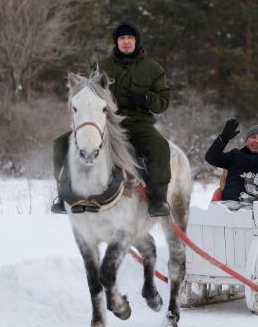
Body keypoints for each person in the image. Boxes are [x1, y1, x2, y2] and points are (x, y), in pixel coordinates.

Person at [52, 21, 172, 216]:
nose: (126, 42)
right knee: (60, 143)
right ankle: (62, 192)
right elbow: (87, 91)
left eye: (130, 38)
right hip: (104, 121)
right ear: (116, 42)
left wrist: (145, 97)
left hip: (138, 122)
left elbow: (164, 102)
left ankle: (159, 199)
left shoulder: (153, 69)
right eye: (122, 38)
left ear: (137, 41)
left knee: (159, 146)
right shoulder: (101, 66)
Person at [205, 119, 258, 201]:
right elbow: (211, 158)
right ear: (247, 140)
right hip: (229, 206)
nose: (256, 141)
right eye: (253, 137)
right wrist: (223, 139)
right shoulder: (235, 155)